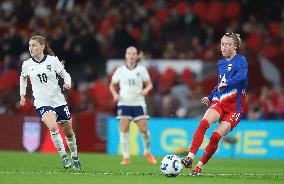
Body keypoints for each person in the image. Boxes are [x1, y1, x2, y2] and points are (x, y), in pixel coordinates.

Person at [181, 33, 248, 176]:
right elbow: (219, 83)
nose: (223, 47)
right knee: (203, 123)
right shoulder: (221, 63)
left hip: (234, 109)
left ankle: (199, 166)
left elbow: (241, 77)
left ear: (235, 46)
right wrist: (210, 96)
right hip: (219, 102)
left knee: (215, 137)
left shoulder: (241, 60)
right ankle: (189, 157)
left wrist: (228, 83)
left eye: (227, 44)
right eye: (222, 44)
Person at [19, 35, 81, 170]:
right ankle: (64, 157)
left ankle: (75, 156)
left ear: (42, 46)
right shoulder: (27, 64)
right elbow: (23, 79)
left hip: (58, 101)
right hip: (42, 102)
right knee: (53, 127)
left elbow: (65, 74)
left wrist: (68, 83)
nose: (31, 48)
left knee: (69, 132)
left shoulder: (53, 61)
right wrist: (22, 95)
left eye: (34, 45)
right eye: (29, 45)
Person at [109, 46, 157, 165]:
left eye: (133, 53)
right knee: (124, 130)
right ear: (126, 55)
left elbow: (150, 84)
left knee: (144, 130)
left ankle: (147, 152)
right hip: (124, 103)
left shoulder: (141, 70)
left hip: (138, 103)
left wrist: (146, 90)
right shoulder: (120, 70)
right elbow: (112, 85)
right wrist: (115, 94)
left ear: (136, 56)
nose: (131, 55)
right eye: (129, 53)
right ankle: (126, 157)